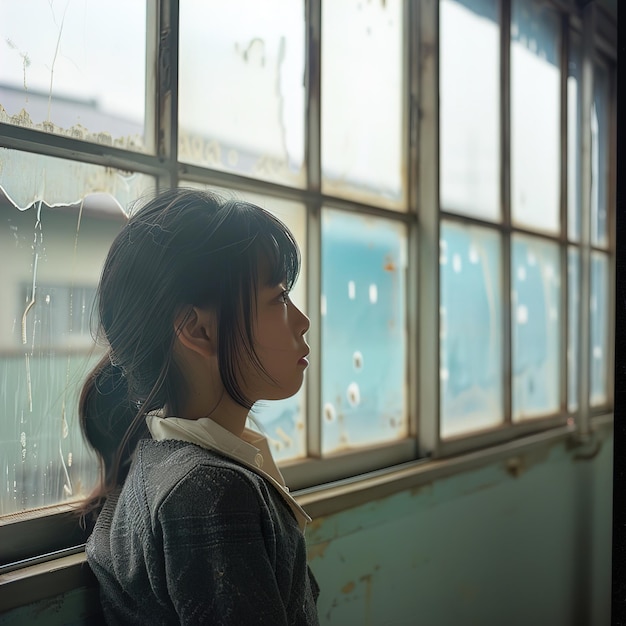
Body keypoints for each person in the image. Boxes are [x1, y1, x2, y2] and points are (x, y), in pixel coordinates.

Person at [79, 188, 320, 625]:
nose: (303, 321)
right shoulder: (210, 494)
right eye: (279, 298)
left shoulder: (162, 463)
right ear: (198, 330)